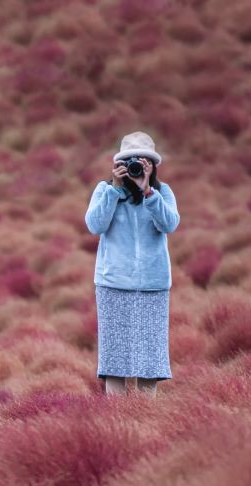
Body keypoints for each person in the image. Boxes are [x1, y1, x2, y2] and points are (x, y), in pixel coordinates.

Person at [84, 131, 180, 398]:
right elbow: (95, 225)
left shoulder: (162, 193)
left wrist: (148, 191)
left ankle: (146, 418)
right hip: (114, 284)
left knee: (149, 362)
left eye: (143, 161)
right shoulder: (106, 191)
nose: (136, 166)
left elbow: (169, 224)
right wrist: (115, 190)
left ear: (153, 166)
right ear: (118, 164)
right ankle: (118, 420)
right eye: (130, 161)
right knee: (115, 362)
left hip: (152, 286)